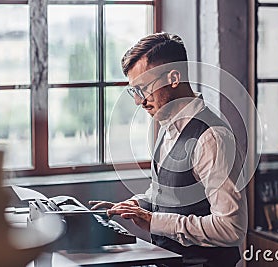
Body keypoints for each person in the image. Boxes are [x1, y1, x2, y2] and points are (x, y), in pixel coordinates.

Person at [89, 32, 247, 267]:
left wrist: (154, 220)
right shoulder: (167, 126)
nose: (139, 101)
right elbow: (168, 193)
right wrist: (137, 206)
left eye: (143, 88)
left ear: (174, 78)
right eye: (134, 91)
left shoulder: (212, 138)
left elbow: (231, 228)